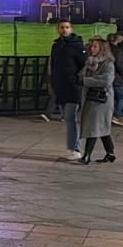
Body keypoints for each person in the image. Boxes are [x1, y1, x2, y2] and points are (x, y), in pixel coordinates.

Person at [46, 20, 86, 153]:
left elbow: (84, 65)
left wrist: (77, 79)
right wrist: (52, 82)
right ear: (58, 29)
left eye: (67, 27)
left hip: (73, 87)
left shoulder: (77, 46)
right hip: (59, 87)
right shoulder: (56, 46)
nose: (64, 30)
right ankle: (72, 147)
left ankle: (75, 148)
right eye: (62, 27)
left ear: (71, 29)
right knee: (67, 118)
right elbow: (53, 65)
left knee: (70, 118)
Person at [78, 38, 117, 164]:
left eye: (95, 46)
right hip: (91, 97)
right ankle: (110, 153)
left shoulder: (108, 63)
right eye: (91, 46)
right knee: (101, 125)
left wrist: (86, 81)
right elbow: (81, 75)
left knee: (93, 125)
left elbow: (106, 80)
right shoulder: (89, 62)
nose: (92, 49)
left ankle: (87, 155)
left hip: (102, 99)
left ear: (102, 48)